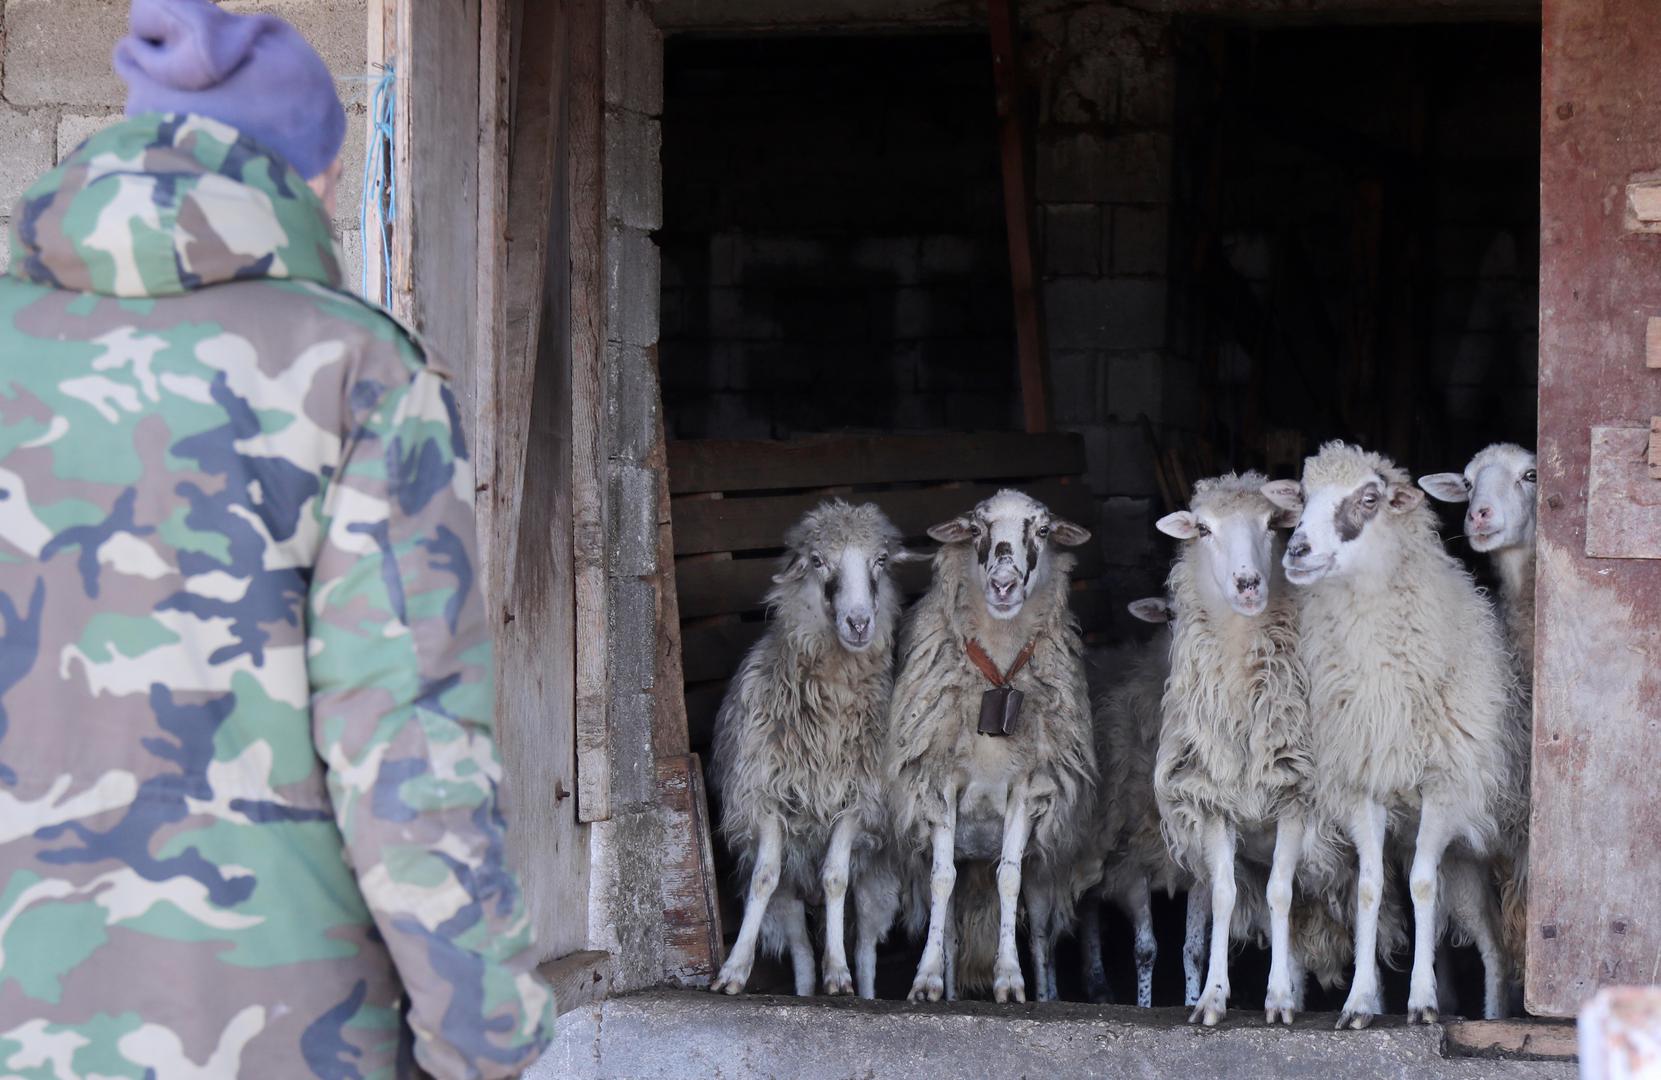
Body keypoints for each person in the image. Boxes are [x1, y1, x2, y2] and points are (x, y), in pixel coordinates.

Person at [0, 1, 553, 1075]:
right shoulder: (354, 369)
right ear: (306, 177)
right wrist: (483, 1039)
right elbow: (403, 747)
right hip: (288, 1032)